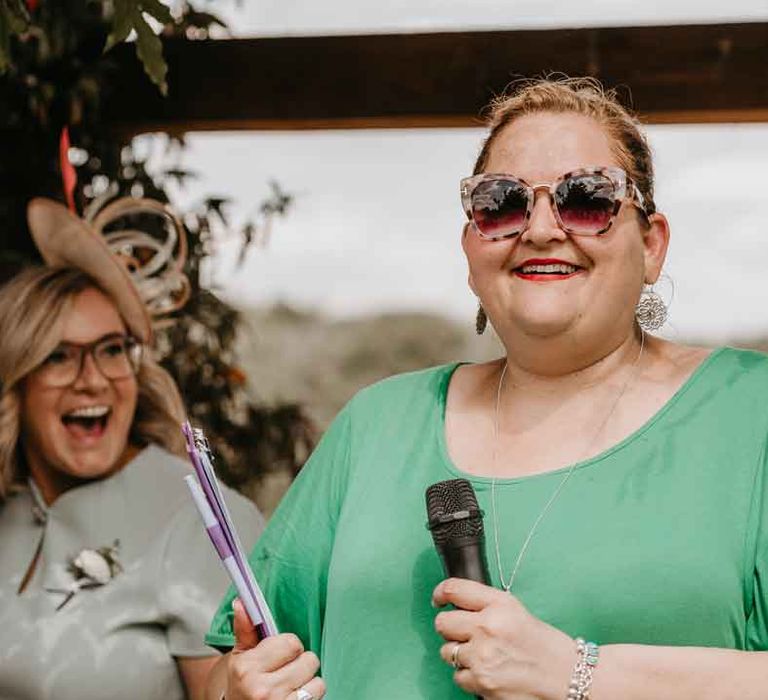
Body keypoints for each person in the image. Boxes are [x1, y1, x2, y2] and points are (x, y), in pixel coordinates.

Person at [205, 77, 768, 699]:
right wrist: (240, 690)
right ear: (471, 244)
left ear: (652, 244)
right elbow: (234, 663)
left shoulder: (751, 414)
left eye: (586, 198)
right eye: (503, 203)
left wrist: (576, 674)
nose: (542, 228)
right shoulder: (378, 424)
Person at [0, 199, 264, 700]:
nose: (92, 380)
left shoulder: (200, 520)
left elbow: (234, 688)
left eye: (112, 349)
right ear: (18, 381)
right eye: (59, 356)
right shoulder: (11, 505)